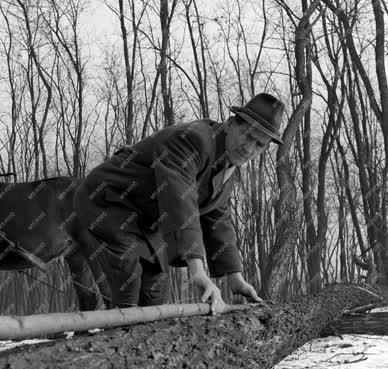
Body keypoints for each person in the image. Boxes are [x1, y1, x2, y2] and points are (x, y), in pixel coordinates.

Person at [74, 93, 284, 311]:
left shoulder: (227, 167)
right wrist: (198, 271)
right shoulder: (194, 140)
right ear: (231, 124)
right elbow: (179, 201)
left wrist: (235, 277)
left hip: (144, 219)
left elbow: (218, 219)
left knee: (155, 286)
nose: (249, 149)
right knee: (130, 274)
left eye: (259, 145)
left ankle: (144, 340)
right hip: (108, 200)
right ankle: (118, 337)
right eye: (247, 136)